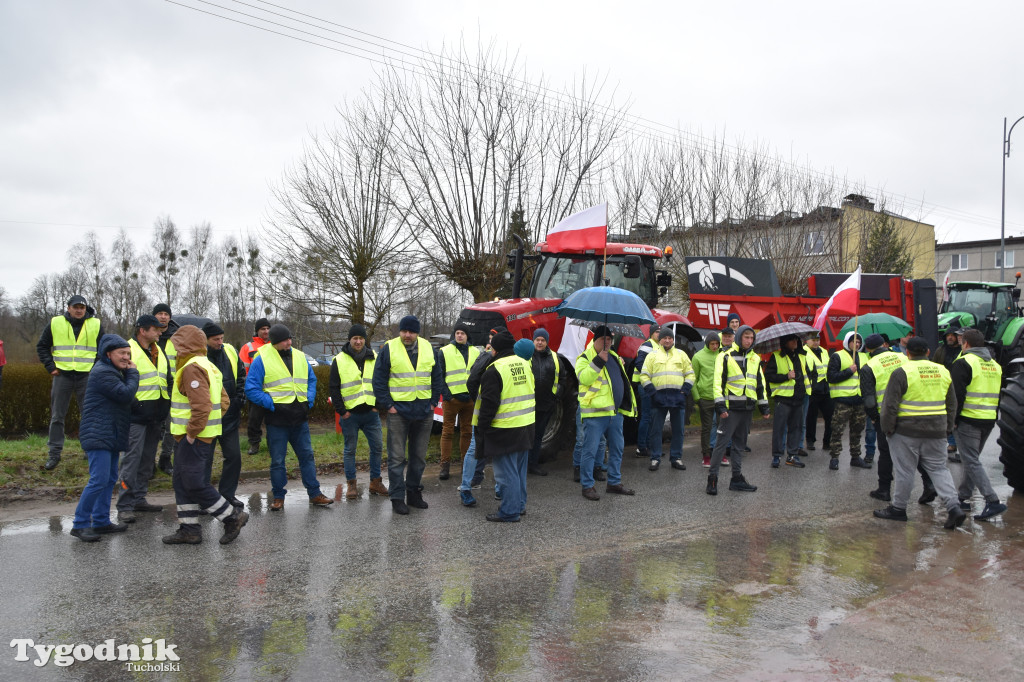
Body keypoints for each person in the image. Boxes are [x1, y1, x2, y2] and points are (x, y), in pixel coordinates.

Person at [162, 325, 250, 545]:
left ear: (184, 346)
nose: (174, 351)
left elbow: (201, 406)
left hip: (192, 437)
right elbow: (224, 401)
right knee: (182, 482)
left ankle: (231, 516)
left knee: (192, 482)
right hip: (201, 434)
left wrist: (192, 431)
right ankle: (189, 528)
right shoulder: (208, 365)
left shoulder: (191, 368)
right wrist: (209, 423)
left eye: (176, 346)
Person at [873, 337, 966, 529]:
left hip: (906, 431)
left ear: (907, 353)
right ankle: (954, 507)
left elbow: (890, 405)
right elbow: (952, 403)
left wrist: (887, 429)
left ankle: (898, 509)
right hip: (937, 431)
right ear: (928, 352)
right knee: (939, 469)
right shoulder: (942, 371)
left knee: (905, 471)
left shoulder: (901, 372)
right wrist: (947, 427)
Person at [244, 324, 333, 511]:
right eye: (284, 340)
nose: (289, 342)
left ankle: (315, 494)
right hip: (277, 420)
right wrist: (271, 404)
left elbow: (311, 380)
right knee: (278, 461)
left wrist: (308, 401)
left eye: (289, 339)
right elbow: (251, 389)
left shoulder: (300, 356)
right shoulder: (262, 359)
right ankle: (278, 497)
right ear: (274, 343)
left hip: (299, 418)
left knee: (307, 456)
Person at [70, 334, 139, 542]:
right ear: (108, 354)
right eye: (121, 353)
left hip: (110, 432)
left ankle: (100, 521)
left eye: (128, 353)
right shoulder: (103, 372)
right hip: (98, 433)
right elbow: (125, 394)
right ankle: (80, 524)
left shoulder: (113, 372)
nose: (126, 357)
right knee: (98, 479)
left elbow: (124, 400)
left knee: (109, 479)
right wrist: (133, 373)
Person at [372, 315, 443, 515]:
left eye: (411, 332)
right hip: (399, 412)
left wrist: (432, 402)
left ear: (417, 333)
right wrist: (388, 405)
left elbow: (437, 377)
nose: (407, 335)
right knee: (396, 458)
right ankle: (397, 497)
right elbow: (379, 379)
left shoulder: (429, 348)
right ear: (400, 331)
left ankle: (413, 493)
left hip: (423, 411)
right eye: (404, 331)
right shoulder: (389, 348)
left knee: (419, 457)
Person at [860, 334, 934, 502]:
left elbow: (869, 399)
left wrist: (873, 418)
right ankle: (929, 483)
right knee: (914, 450)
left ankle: (884, 490)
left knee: (886, 453)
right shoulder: (903, 357)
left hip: (884, 415)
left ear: (869, 349)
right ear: (884, 345)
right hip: (909, 410)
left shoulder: (868, 367)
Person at [38, 295, 104, 470]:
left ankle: (89, 451)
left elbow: (104, 349)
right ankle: (54, 453)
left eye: (82, 307)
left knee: (89, 415)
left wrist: (95, 368)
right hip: (62, 374)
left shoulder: (95, 324)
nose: (79, 310)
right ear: (68, 308)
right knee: (57, 416)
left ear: (85, 308)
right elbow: (42, 346)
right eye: (75, 307)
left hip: (86, 376)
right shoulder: (56, 323)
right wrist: (50, 366)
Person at [116, 315, 170, 524]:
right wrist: (133, 404)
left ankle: (139, 498)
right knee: (131, 460)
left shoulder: (159, 351)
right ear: (142, 331)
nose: (160, 332)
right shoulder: (128, 349)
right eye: (156, 329)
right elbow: (120, 382)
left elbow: (164, 379)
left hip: (155, 415)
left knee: (147, 461)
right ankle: (125, 506)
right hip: (135, 417)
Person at [476, 331, 535, 522]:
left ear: (495, 349)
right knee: (518, 471)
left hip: (505, 428)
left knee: (506, 473)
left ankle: (509, 511)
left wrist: (482, 428)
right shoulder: (525, 364)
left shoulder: (495, 369)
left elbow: (489, 404)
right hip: (526, 424)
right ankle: (518, 505)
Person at [951, 329, 1007, 520]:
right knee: (971, 460)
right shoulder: (995, 366)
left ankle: (992, 501)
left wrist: (953, 420)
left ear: (965, 344)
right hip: (988, 419)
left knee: (971, 461)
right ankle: (963, 497)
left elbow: (956, 396)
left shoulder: (963, 362)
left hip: (968, 419)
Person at [575, 325, 637, 501]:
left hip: (614, 413)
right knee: (590, 451)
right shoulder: (585, 357)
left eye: (609, 339)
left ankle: (614, 482)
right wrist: (598, 361)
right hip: (595, 415)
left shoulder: (615, 356)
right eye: (603, 339)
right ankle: (587, 486)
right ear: (595, 341)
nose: (607, 342)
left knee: (617, 449)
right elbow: (584, 378)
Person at [707, 325, 769, 495]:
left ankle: (736, 479)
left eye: (751, 338)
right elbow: (718, 382)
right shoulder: (725, 356)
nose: (749, 340)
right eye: (746, 337)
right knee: (720, 445)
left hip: (747, 409)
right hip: (730, 409)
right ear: (740, 337)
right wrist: (720, 406)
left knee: (739, 445)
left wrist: (764, 406)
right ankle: (712, 479)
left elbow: (760, 383)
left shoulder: (755, 358)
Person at [329, 324, 387, 500]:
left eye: (361, 338)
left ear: (365, 340)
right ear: (349, 340)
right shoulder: (339, 360)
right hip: (350, 415)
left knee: (377, 448)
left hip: (371, 413)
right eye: (355, 338)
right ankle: (351, 485)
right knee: (350, 451)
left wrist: (378, 405)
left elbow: (381, 381)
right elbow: (334, 388)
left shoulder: (374, 357)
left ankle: (375, 482)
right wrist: (342, 411)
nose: (358, 341)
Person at [203, 322, 246, 508]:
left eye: (222, 338)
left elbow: (241, 376)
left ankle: (227, 494)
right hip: (207, 419)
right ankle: (203, 499)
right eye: (215, 339)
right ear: (205, 340)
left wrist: (238, 401)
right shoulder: (198, 356)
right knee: (205, 460)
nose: (220, 342)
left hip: (230, 416)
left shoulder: (230, 350)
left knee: (234, 457)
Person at [639, 328, 694, 471]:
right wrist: (653, 393)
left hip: (678, 398)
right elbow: (644, 376)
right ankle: (655, 458)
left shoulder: (681, 355)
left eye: (670, 338)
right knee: (656, 430)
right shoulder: (652, 355)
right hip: (658, 398)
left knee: (678, 431)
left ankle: (676, 458)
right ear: (660, 339)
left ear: (673, 339)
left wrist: (684, 391)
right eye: (665, 338)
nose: (668, 340)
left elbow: (690, 375)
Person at [437, 322, 479, 480]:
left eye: (462, 333)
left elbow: (478, 374)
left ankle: (465, 464)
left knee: (467, 432)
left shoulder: (475, 351)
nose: (459, 335)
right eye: (457, 333)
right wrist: (447, 395)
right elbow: (439, 376)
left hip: (469, 400)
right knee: (447, 432)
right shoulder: (444, 351)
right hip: (452, 399)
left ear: (467, 335)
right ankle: (444, 465)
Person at [826, 331, 871, 471]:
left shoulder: (864, 356)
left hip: (859, 400)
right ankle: (834, 457)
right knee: (837, 430)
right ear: (847, 342)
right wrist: (848, 371)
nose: (857, 344)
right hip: (843, 400)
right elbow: (831, 377)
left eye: (859, 342)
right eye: (854, 341)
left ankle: (856, 457)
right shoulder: (837, 356)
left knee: (857, 431)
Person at [764, 334, 809, 469]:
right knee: (779, 429)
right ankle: (776, 456)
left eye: (796, 339)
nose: (795, 342)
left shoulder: (801, 356)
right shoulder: (777, 356)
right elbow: (769, 376)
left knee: (796, 428)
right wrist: (786, 376)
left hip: (798, 398)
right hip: (783, 399)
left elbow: (807, 374)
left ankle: (792, 456)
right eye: (792, 339)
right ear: (785, 342)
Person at [528, 328, 560, 476]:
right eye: (537, 340)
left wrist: (555, 396)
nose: (540, 342)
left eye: (543, 340)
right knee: (525, 436)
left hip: (545, 405)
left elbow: (562, 379)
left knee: (538, 436)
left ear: (547, 342)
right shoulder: (526, 356)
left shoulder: (554, 357)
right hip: (527, 405)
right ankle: (522, 465)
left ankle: (533, 464)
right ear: (533, 341)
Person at [239, 318, 272, 455]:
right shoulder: (248, 347)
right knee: (254, 420)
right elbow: (242, 370)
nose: (266, 331)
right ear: (257, 331)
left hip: (273, 390)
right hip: (255, 391)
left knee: (274, 421)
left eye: (267, 328)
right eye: (262, 329)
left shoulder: (275, 345)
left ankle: (274, 445)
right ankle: (254, 444)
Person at [153, 303, 178, 476]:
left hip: (174, 388)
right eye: (160, 313)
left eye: (166, 314)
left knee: (172, 426)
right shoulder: (148, 335)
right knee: (153, 427)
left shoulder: (178, 337)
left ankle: (165, 458)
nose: (163, 317)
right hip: (152, 388)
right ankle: (148, 462)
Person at [933, 327, 963, 461]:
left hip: (959, 385)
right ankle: (951, 443)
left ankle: (957, 443)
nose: (950, 338)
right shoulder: (941, 350)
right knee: (947, 413)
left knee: (956, 413)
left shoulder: (962, 351)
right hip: (944, 385)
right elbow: (934, 365)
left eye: (952, 335)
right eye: (948, 336)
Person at [690, 332, 720, 468]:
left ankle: (721, 454)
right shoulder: (698, 357)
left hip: (720, 397)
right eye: (712, 344)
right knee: (707, 428)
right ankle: (706, 456)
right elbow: (693, 379)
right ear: (707, 343)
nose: (714, 346)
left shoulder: (723, 355)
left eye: (717, 344)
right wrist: (697, 398)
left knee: (722, 428)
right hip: (705, 398)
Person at [631, 323, 660, 459]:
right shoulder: (647, 345)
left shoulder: (658, 346)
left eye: (661, 332)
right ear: (652, 333)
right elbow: (639, 363)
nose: (659, 334)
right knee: (647, 417)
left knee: (651, 417)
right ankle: (642, 447)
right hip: (645, 385)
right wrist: (652, 374)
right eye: (657, 332)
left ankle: (650, 447)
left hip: (651, 386)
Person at [803, 332, 833, 452]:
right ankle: (810, 441)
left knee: (830, 417)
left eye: (818, 340)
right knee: (811, 417)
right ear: (807, 340)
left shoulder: (823, 351)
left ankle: (827, 442)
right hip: (812, 390)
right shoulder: (804, 352)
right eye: (813, 340)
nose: (816, 342)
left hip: (826, 388)